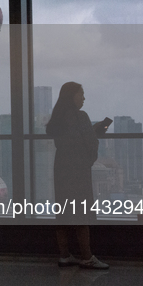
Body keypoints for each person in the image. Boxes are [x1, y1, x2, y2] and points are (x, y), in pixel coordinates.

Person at [46, 81, 109, 270]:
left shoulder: (57, 118)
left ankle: (64, 255)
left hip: (61, 168)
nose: (83, 98)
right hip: (77, 169)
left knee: (64, 211)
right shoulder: (81, 116)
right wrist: (95, 132)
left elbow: (68, 138)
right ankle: (87, 257)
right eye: (81, 94)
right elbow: (88, 143)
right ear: (72, 95)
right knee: (82, 212)